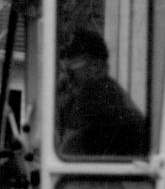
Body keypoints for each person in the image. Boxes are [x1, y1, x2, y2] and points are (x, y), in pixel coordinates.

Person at [55, 28, 152, 158]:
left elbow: (67, 156)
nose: (63, 79)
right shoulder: (112, 96)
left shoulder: (96, 98)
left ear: (97, 68)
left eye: (70, 71)